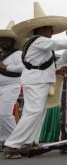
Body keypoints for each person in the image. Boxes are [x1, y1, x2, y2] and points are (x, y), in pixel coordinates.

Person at [4, 2, 67, 159]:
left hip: (38, 80)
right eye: (49, 28)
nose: (52, 30)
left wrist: (57, 70)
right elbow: (57, 43)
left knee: (37, 112)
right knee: (34, 112)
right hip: (36, 82)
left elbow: (39, 63)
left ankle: (27, 142)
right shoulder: (39, 40)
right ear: (42, 29)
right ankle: (13, 145)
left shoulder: (38, 44)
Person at [0, 21, 23, 151]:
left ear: (13, 41)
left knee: (4, 114)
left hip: (11, 86)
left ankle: (16, 141)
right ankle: (3, 140)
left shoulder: (18, 54)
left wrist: (5, 67)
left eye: (6, 40)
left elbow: (23, 68)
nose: (3, 42)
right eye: (1, 40)